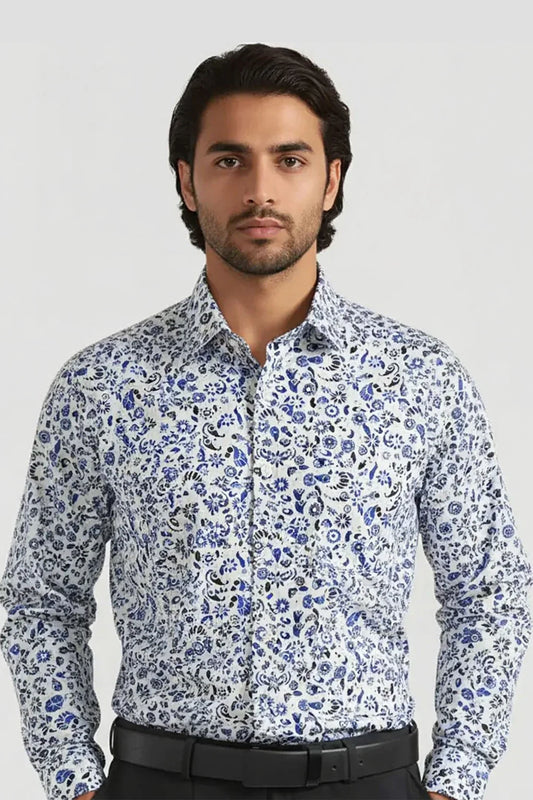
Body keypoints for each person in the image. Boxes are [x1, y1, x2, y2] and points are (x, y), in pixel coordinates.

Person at [0, 42, 531, 800]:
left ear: (331, 179)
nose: (260, 190)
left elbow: (489, 592)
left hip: (367, 781)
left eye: (289, 160)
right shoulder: (101, 386)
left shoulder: (419, 379)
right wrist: (74, 780)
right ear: (186, 181)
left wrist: (456, 781)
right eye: (229, 160)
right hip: (161, 781)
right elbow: (40, 600)